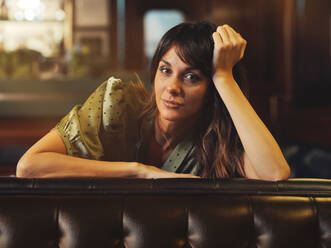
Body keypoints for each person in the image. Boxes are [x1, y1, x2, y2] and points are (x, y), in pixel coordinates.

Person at [16, 22, 290, 180]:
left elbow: (275, 172)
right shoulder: (117, 104)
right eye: (165, 70)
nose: (172, 88)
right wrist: (138, 171)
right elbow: (29, 166)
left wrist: (224, 77)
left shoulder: (213, 141)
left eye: (192, 77)